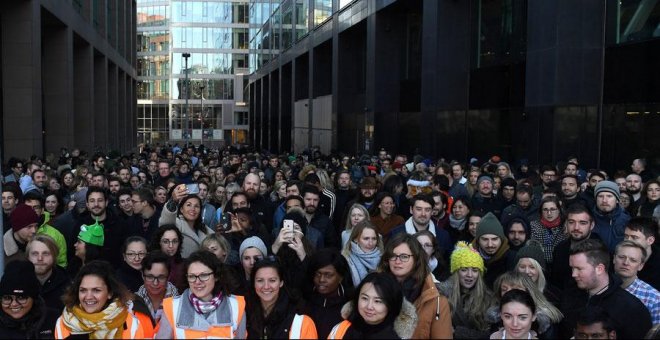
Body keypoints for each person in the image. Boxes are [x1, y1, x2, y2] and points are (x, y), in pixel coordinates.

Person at [559, 239, 652, 338]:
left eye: (579, 269)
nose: (574, 274)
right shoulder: (570, 294)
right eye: (572, 268)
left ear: (599, 269)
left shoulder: (632, 309)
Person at [156, 250, 247, 338]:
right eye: (192, 276)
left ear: (216, 276)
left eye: (204, 275)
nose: (197, 281)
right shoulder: (172, 307)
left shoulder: (236, 306)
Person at [379, 233, 453, 338]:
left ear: (416, 259)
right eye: (393, 256)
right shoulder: (375, 288)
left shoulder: (436, 299)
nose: (397, 261)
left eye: (404, 257)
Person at [55, 260, 147, 339]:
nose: (88, 296)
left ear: (110, 293)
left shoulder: (131, 323)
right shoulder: (63, 323)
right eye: (83, 290)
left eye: (96, 290)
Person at [327, 272, 418, 339]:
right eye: (365, 298)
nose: (369, 306)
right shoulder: (342, 328)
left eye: (378, 301)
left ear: (391, 303)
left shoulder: (399, 336)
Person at [245, 259, 318, 339]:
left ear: (281, 282)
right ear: (253, 283)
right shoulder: (243, 315)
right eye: (260, 280)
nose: (266, 286)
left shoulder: (300, 321)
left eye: (272, 280)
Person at [437, 241, 495, 338]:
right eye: (464, 269)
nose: (470, 275)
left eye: (475, 270)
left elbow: (491, 335)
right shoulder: (441, 295)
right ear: (456, 272)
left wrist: (457, 332)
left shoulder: (489, 299)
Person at [490, 271, 563, 338]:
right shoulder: (495, 317)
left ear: (529, 291)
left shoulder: (545, 321)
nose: (509, 293)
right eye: (504, 289)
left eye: (516, 289)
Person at [0, 260, 60, 338]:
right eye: (7, 298)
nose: (14, 304)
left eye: (21, 297)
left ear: (34, 297)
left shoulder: (54, 320)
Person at [303, 249, 354, 339]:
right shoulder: (303, 300)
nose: (321, 280)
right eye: (318, 274)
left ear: (341, 277)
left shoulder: (351, 305)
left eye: (328, 275)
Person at [612, 240, 660, 325]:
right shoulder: (599, 287)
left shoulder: (654, 298)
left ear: (640, 266)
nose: (626, 263)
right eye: (622, 257)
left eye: (633, 260)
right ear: (614, 259)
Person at [159, 188, 214, 258]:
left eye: (196, 206)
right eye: (188, 205)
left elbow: (218, 242)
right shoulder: (177, 223)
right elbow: (165, 223)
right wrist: (173, 201)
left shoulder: (204, 228)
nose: (193, 209)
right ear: (181, 209)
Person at [135, 251, 180, 325]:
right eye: (150, 277)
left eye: (161, 277)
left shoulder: (179, 303)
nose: (155, 283)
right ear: (143, 276)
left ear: (168, 277)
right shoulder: (132, 304)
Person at [27, 234, 70, 311]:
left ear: (54, 256)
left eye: (45, 253)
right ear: (28, 257)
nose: (40, 258)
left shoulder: (68, 285)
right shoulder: (18, 282)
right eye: (35, 254)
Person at [515, 240, 561, 305]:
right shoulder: (509, 290)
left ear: (540, 270)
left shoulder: (553, 295)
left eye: (532, 267)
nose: (527, 271)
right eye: (522, 267)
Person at [342, 221, 383, 286]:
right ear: (356, 239)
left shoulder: (383, 260)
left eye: (374, 238)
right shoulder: (345, 260)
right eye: (366, 239)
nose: (370, 243)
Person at [530, 196, 567, 264]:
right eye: (545, 209)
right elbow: (534, 248)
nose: (549, 213)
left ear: (559, 210)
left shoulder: (565, 227)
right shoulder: (534, 226)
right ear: (541, 211)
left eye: (552, 209)